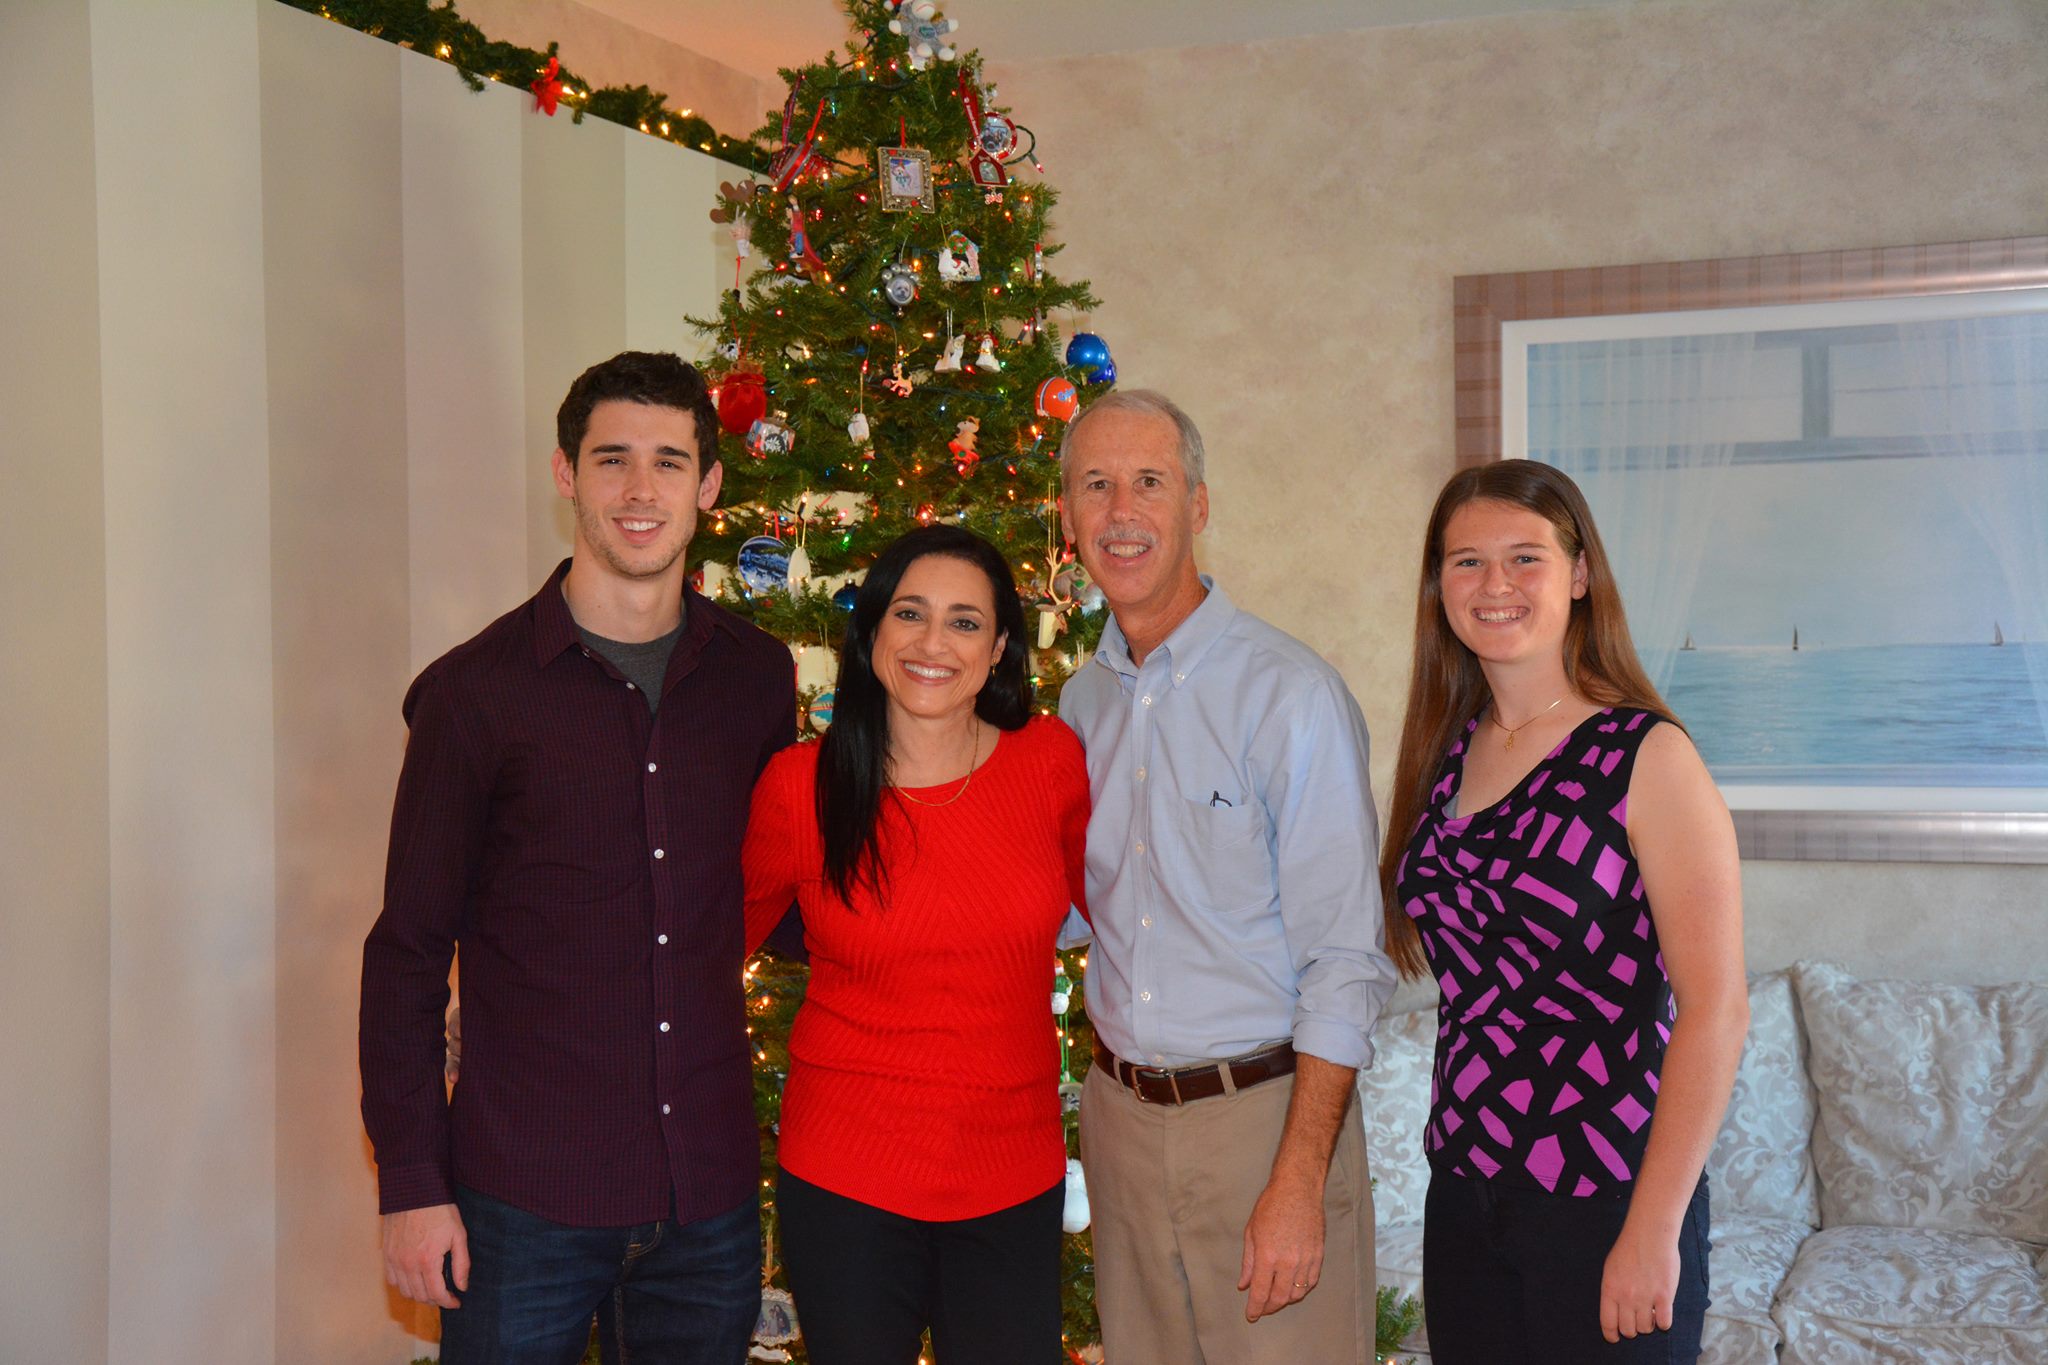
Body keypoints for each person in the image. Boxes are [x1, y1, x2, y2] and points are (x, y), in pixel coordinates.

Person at [360, 351, 795, 1363]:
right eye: (612, 460)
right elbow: (409, 954)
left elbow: (782, 886)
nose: (640, 492)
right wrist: (413, 1186)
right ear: (566, 475)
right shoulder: (474, 698)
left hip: (708, 1205)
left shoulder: (756, 680)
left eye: (668, 462)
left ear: (710, 484)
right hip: (524, 1205)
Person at [1381, 460, 1748, 1363]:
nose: (1493, 585)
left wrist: (1654, 1229)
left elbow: (1716, 1009)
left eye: (1524, 558)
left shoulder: (1646, 757)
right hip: (1465, 1191)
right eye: (1466, 561)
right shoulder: (1445, 750)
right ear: (1439, 584)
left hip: (1608, 1191)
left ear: (1579, 574)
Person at [1057, 390, 1398, 1363]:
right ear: (1069, 517)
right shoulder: (1078, 709)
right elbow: (1065, 917)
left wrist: (1298, 1179)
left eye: (1148, 483)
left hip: (1264, 1127)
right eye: (1095, 485)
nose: (1121, 512)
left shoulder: (1288, 697)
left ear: (1196, 506)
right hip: (1119, 1130)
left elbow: (1344, 961)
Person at [739, 525, 1090, 1365]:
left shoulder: (1049, 761)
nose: (935, 643)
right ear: (871, 632)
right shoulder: (800, 785)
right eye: (911, 613)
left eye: (966, 622)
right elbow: (704, 949)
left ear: (1002, 645)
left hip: (1014, 1171)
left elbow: (1107, 910)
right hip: (846, 1178)